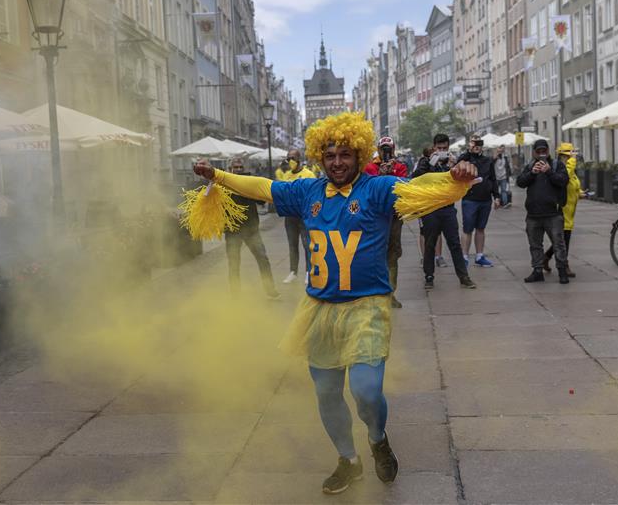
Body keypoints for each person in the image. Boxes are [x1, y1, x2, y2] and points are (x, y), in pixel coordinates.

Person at [190, 111, 478, 495]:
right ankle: (348, 459)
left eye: (345, 154)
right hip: (320, 307)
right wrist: (218, 177)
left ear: (359, 154)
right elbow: (262, 187)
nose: (337, 162)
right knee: (326, 391)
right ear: (320, 158)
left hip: (368, 306)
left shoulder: (376, 189)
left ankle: (377, 438)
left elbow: (417, 185)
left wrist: (452, 178)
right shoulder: (307, 191)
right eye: (330, 156)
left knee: (366, 390)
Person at [413, 133, 477, 290]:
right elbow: (415, 178)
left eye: (444, 148)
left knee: (455, 243)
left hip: (448, 208)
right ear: (434, 147)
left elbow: (461, 180)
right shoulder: (425, 161)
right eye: (439, 148)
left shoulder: (451, 161)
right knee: (430, 244)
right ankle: (429, 277)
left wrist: (454, 166)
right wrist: (431, 163)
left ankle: (464, 277)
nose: (442, 150)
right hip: (430, 208)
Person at [224, 158, 280, 299]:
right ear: (230, 168)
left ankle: (270, 288)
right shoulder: (224, 183)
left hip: (251, 230)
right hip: (233, 231)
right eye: (235, 167)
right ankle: (235, 294)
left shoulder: (249, 182)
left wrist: (257, 190)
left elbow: (261, 200)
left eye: (240, 167)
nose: (238, 169)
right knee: (234, 263)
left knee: (262, 258)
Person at [516, 139, 570, 284]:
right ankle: (537, 270)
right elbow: (520, 182)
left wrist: (549, 172)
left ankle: (562, 271)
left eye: (543, 151)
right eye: (538, 152)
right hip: (533, 214)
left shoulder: (557, 165)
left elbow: (563, 180)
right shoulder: (530, 166)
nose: (541, 155)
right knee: (535, 245)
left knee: (559, 244)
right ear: (534, 152)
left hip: (553, 213)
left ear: (548, 151)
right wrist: (532, 173)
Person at [364, 136, 408, 308]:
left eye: (389, 149)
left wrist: (392, 174)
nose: (386, 152)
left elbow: (404, 188)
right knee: (374, 253)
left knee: (393, 254)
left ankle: (391, 293)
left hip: (395, 217)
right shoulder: (369, 167)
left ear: (394, 150)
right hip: (375, 218)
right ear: (379, 149)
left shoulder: (400, 167)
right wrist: (380, 175)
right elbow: (367, 189)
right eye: (384, 149)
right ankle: (375, 292)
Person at [457, 134, 500, 267]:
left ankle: (479, 256)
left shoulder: (487, 161)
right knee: (467, 229)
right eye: (474, 143)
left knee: (481, 228)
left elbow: (493, 179)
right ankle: (464, 256)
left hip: (485, 199)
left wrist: (496, 196)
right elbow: (459, 162)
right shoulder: (466, 158)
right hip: (470, 198)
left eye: (479, 143)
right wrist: (468, 151)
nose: (477, 146)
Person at [543, 143, 583, 278]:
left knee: (561, 241)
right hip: (562, 209)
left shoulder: (569, 168)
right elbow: (566, 177)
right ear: (564, 156)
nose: (572, 157)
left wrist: (580, 193)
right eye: (570, 155)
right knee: (563, 241)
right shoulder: (563, 168)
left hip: (570, 210)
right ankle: (564, 266)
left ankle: (545, 258)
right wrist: (572, 159)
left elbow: (573, 184)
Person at [282, 150, 316, 283]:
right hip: (290, 216)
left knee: (307, 244)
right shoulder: (286, 175)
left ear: (299, 158)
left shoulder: (309, 174)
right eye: (288, 158)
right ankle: (293, 272)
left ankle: (309, 272)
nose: (291, 161)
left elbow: (314, 194)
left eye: (293, 158)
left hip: (304, 215)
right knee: (292, 245)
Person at [414, 147, 444, 266]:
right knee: (423, 231)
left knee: (438, 230)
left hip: (436, 201)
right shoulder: (422, 163)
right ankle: (424, 257)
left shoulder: (439, 164)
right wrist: (430, 164)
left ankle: (438, 256)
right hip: (423, 202)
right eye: (434, 153)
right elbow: (417, 176)